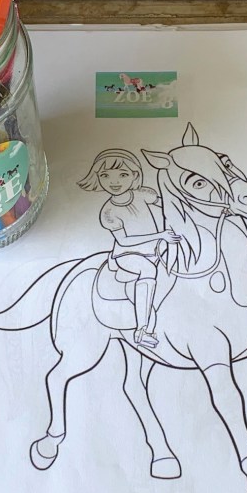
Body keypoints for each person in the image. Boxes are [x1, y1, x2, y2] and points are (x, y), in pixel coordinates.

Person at [77, 149, 180, 348]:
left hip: (155, 249)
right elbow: (124, 241)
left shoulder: (144, 194)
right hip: (127, 254)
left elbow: (169, 206)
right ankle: (142, 330)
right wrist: (160, 235)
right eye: (105, 176)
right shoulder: (108, 212)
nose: (114, 182)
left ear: (135, 175)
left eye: (123, 174)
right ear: (97, 177)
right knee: (148, 270)